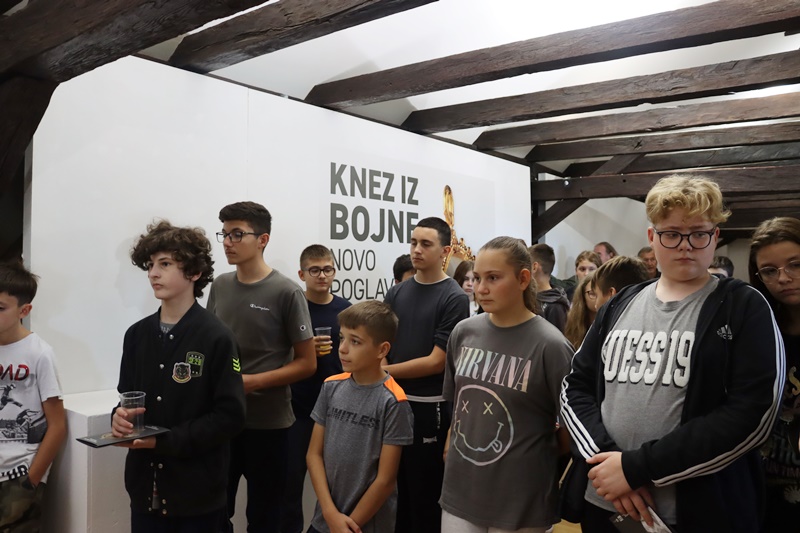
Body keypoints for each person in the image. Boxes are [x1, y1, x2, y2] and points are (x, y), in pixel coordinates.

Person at [560, 175, 784, 532]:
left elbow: (753, 413)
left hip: (699, 513)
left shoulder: (743, 306)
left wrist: (635, 468)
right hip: (606, 503)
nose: (685, 246)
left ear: (715, 236)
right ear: (652, 236)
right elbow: (575, 386)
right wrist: (606, 463)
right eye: (672, 234)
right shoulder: (621, 303)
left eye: (698, 234)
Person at [111, 221, 246, 532]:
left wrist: (164, 441)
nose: (153, 274)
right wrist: (119, 419)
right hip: (144, 489)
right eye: (150, 265)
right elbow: (126, 397)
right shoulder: (136, 335)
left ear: (194, 272)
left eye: (165, 264)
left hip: (198, 492)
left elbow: (230, 417)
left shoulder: (217, 337)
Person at [440, 237, 573, 533]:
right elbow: (458, 402)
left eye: (493, 278)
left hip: (521, 498)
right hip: (462, 489)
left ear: (523, 279)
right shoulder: (463, 333)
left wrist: (535, 457)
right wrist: (451, 442)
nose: (481, 288)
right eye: (477, 278)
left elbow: (571, 428)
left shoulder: (551, 345)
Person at [207, 201, 316, 533]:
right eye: (224, 234)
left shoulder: (286, 292)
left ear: (263, 239)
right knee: (215, 511)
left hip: (269, 425)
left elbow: (307, 363)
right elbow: (210, 346)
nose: (228, 242)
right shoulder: (220, 285)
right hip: (223, 420)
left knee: (266, 517)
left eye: (237, 234)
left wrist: (252, 382)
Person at [383, 216, 469, 533]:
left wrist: (383, 370)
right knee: (396, 494)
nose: (416, 249)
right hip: (393, 402)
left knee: (423, 498)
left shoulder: (454, 297)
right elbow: (383, 343)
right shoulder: (397, 293)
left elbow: (437, 361)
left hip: (428, 408)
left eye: (426, 244)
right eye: (414, 242)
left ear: (445, 251)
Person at [306, 300, 414, 533]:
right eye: (342, 338)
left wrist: (348, 525)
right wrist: (330, 514)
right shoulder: (331, 386)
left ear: (382, 350)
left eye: (355, 341)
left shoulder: (393, 402)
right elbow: (314, 454)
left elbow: (385, 480)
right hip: (325, 520)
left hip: (364, 525)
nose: (343, 348)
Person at [282, 245, 351, 533]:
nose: (322, 275)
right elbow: (277, 354)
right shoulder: (292, 307)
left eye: (327, 269)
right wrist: (302, 350)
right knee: (289, 485)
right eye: (314, 270)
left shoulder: (346, 310)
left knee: (340, 484)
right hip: (297, 409)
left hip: (337, 410)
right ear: (302, 274)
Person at [0, 261, 66, 532]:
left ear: (24, 311)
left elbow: (57, 425)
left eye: (0, 308)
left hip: (19, 475)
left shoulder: (39, 353)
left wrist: (32, 479)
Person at [748, 217, 800, 530]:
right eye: (769, 270)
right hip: (765, 491)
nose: (784, 278)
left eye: (796, 264)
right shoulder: (759, 332)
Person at [529, 244, 570, 333]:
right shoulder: (530, 297)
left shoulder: (555, 306)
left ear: (534, 267)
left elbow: (556, 339)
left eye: (526, 266)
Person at [564, 274, 597, 351]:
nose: (598, 298)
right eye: (592, 293)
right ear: (582, 296)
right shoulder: (572, 322)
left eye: (602, 293)